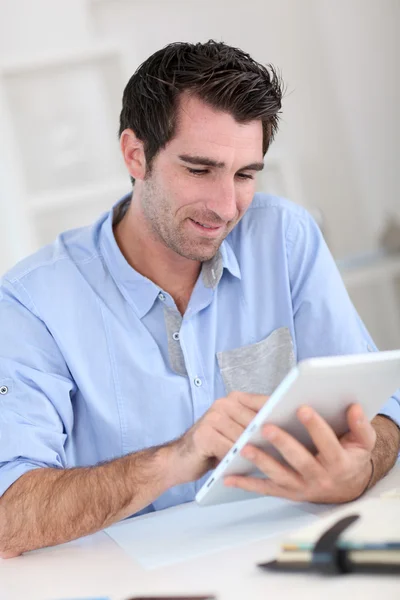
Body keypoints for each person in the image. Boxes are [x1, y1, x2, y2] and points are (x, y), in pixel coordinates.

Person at [0, 40, 399, 559]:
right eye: (199, 169)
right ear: (135, 154)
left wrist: (359, 468)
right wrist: (176, 457)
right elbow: (11, 516)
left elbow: (384, 411)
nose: (226, 206)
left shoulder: (285, 239)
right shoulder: (33, 302)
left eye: (245, 174)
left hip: (282, 559)